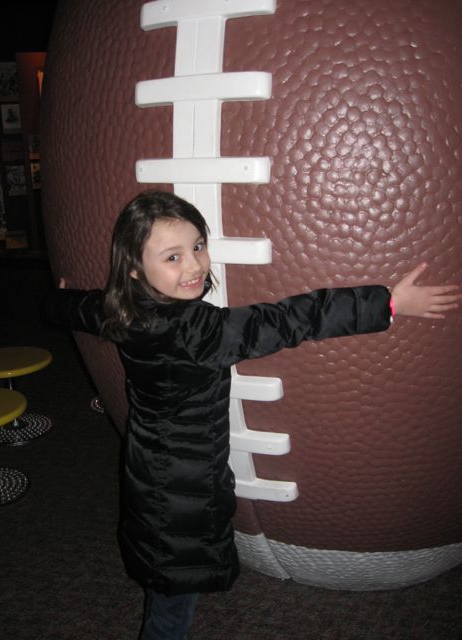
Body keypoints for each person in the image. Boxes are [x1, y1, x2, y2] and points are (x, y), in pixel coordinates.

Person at [45, 190, 460, 640]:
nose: (193, 266)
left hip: (150, 462)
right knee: (172, 595)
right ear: (134, 268)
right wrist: (388, 303)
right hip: (183, 480)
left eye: (198, 246)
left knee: (167, 567)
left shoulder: (121, 308)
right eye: (172, 256)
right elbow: (289, 319)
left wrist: (57, 303)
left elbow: (83, 307)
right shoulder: (196, 330)